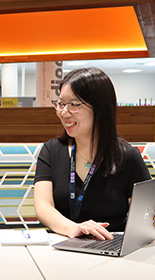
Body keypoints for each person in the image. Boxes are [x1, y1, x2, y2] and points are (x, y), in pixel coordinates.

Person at [34, 67, 151, 241]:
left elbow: (146, 216)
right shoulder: (52, 151)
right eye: (60, 103)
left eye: (73, 105)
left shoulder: (127, 157)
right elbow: (43, 206)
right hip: (62, 243)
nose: (64, 112)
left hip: (112, 245)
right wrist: (74, 228)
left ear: (100, 108)